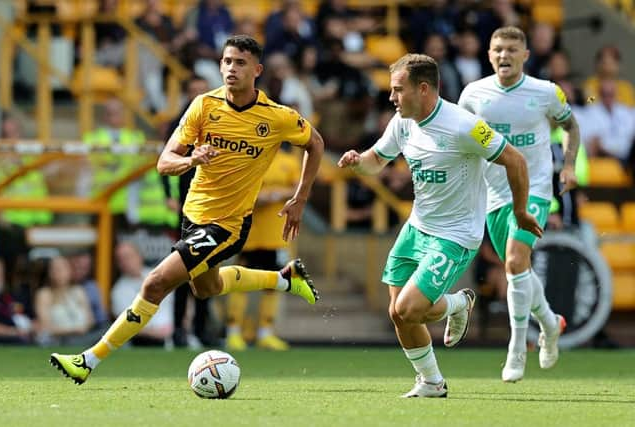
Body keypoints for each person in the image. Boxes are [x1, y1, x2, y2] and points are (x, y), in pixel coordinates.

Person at [50, 34, 324, 385]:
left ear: (256, 70)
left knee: (155, 283)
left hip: (227, 225)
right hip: (192, 217)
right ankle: (284, 279)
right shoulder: (203, 106)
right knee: (206, 289)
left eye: (240, 63)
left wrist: (300, 198)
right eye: (226, 61)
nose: (231, 69)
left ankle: (88, 360)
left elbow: (315, 143)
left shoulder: (276, 118)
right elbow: (164, 161)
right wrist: (192, 157)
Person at [338, 53, 539, 398]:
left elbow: (515, 161)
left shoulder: (463, 125)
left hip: (456, 234)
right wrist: (358, 162)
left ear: (424, 89)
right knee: (398, 313)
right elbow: (377, 160)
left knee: (409, 308)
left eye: (398, 90)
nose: (391, 97)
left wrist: (520, 212)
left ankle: (459, 303)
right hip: (417, 227)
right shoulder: (402, 122)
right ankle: (431, 382)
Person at [456, 26, 580, 382]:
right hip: (493, 196)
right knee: (518, 271)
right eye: (497, 49)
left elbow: (571, 126)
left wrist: (569, 164)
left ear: (525, 55)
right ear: (489, 54)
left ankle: (516, 349)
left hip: (536, 192)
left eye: (511, 49)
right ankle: (550, 323)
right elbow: (461, 138)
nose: (504, 55)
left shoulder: (544, 92)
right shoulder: (473, 95)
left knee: (513, 260)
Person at [225, 143, 301, 351]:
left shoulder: (289, 162)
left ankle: (265, 333)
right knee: (239, 282)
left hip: (277, 237)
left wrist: (276, 193)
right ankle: (233, 332)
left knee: (274, 284)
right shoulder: (251, 160)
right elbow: (240, 191)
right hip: (250, 235)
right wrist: (263, 197)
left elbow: (299, 190)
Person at [161, 74, 213, 348]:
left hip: (211, 205)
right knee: (182, 268)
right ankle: (179, 330)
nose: (199, 96)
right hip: (186, 207)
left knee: (206, 268)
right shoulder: (179, 123)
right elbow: (164, 161)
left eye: (202, 90)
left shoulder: (217, 121)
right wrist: (169, 197)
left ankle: (202, 328)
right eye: (194, 91)